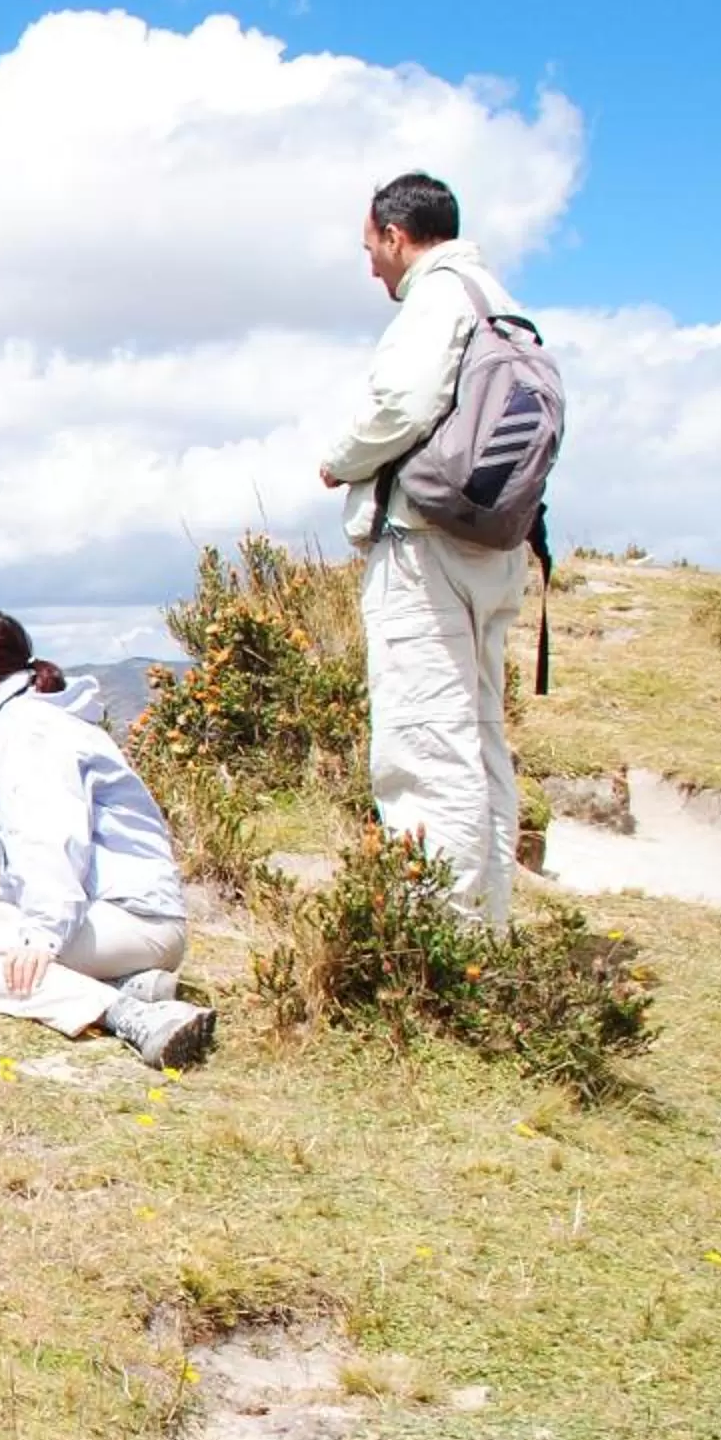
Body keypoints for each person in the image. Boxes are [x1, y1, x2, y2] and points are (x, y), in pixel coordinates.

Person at [317, 172, 530, 930]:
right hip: (494, 545)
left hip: (425, 545)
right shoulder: (497, 300)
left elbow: (404, 403)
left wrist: (341, 458)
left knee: (423, 744)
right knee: (477, 738)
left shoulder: (436, 297)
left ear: (394, 235)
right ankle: (489, 931)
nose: (371, 263)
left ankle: (441, 947)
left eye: (370, 246)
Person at [0, 611, 216, 1068]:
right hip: (112, 916)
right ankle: (128, 984)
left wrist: (41, 937)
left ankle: (133, 1015)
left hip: (130, 918)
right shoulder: (28, 720)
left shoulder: (26, 729)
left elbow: (53, 836)